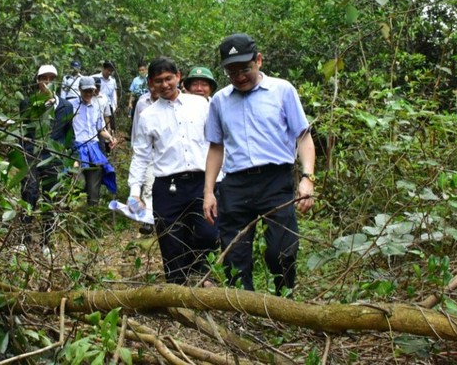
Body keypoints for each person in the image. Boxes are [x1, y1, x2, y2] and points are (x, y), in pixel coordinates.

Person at [203, 33, 316, 295]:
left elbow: (303, 136)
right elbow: (216, 147)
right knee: (235, 255)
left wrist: (307, 178)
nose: (239, 76)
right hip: (235, 184)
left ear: (259, 60)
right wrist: (209, 192)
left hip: (275, 180)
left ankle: (283, 303)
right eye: (232, 71)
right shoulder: (220, 100)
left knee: (282, 251)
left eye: (245, 69)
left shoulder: (282, 91)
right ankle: (243, 311)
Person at [129, 57, 218, 285]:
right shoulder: (148, 115)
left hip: (201, 181)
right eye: (159, 80)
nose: (165, 84)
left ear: (179, 76)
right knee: (170, 239)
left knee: (208, 233)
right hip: (167, 185)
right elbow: (141, 154)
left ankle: (198, 273)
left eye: (169, 78)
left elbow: (216, 143)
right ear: (150, 83)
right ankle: (176, 288)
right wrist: (134, 191)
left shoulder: (200, 105)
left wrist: (220, 179)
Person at [19, 64, 74, 244]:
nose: (48, 82)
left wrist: (72, 157)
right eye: (45, 78)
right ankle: (23, 238)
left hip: (53, 158)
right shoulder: (28, 103)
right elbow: (24, 130)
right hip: (31, 156)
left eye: (52, 78)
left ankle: (46, 241)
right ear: (38, 80)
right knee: (29, 194)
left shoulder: (66, 106)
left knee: (51, 198)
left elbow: (68, 134)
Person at [73, 78, 117, 206]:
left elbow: (100, 128)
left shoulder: (96, 106)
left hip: (94, 149)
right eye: (85, 91)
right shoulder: (72, 106)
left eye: (91, 91)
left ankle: (92, 212)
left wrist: (110, 138)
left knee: (94, 184)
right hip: (77, 148)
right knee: (76, 182)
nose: (88, 94)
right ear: (80, 90)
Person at [130, 83, 159, 235]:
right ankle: (147, 221)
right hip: (148, 150)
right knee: (147, 186)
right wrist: (135, 146)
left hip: (165, 152)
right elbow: (136, 125)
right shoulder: (142, 102)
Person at [92, 61, 118, 130]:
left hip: (108, 106)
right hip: (96, 104)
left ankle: (109, 139)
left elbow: (113, 94)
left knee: (109, 126)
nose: (109, 73)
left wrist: (114, 106)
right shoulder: (94, 78)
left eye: (111, 71)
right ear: (103, 68)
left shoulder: (113, 81)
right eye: (108, 70)